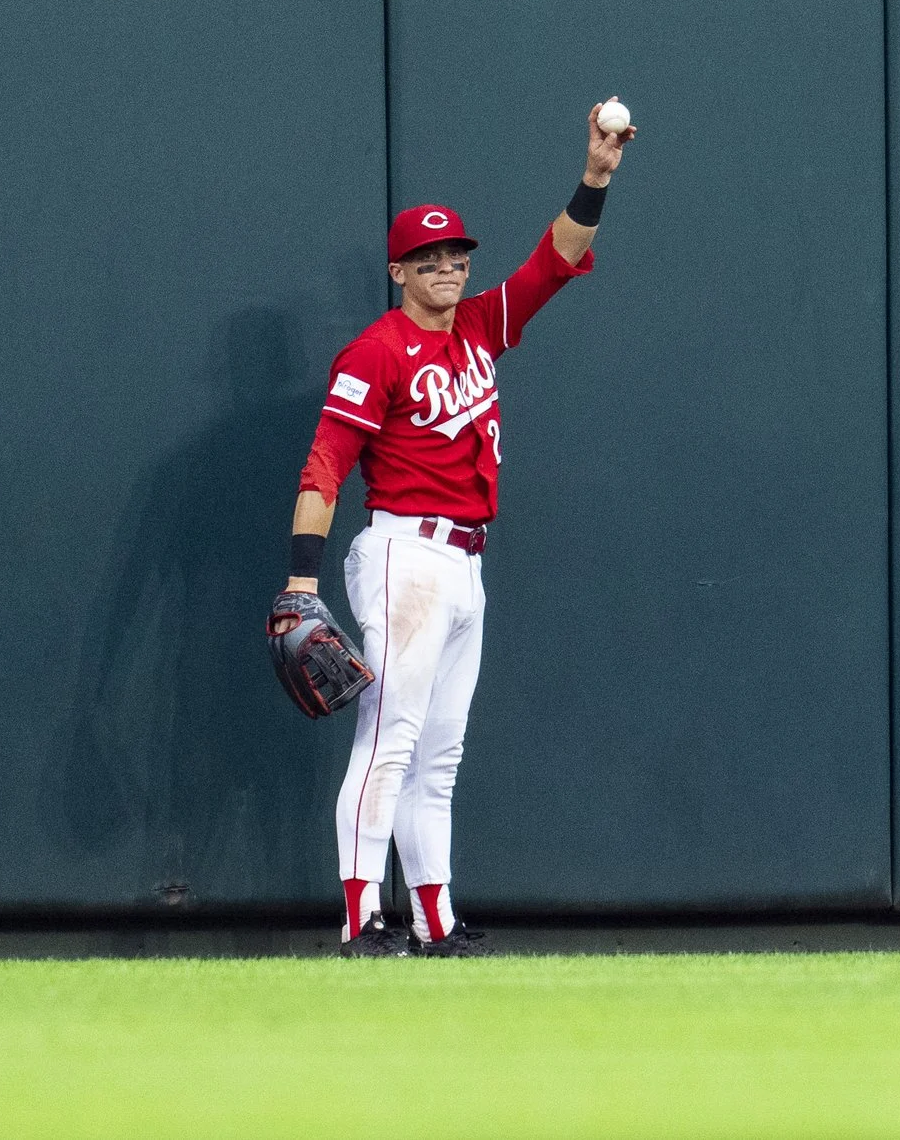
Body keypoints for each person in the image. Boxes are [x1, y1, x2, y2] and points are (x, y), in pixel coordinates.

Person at [271, 100, 637, 956]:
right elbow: (325, 464)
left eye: (457, 255)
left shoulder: (479, 327)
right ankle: (361, 920)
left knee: (439, 753)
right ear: (398, 270)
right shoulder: (375, 351)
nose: (447, 267)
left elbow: (555, 262)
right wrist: (300, 579)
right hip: (404, 553)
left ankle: (434, 922)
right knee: (388, 742)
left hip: (465, 563)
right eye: (428, 258)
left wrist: (596, 175)